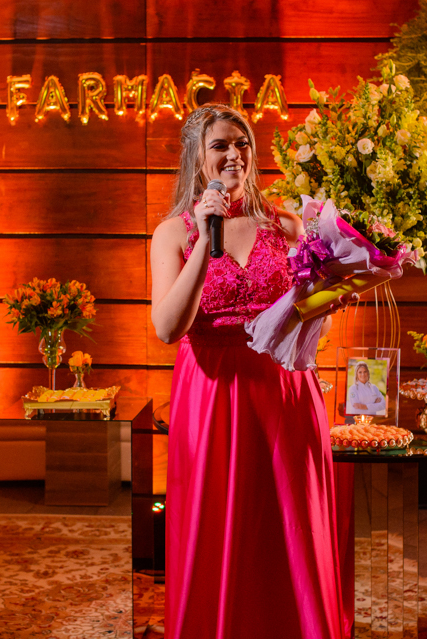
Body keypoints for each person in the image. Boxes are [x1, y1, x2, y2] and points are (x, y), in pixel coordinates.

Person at [150, 103, 353, 639]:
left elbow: (309, 331)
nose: (233, 155)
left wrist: (324, 306)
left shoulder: (287, 226)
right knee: (217, 531)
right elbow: (169, 329)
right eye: (219, 146)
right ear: (197, 158)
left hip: (282, 392)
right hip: (211, 397)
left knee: (290, 529)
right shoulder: (172, 234)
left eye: (241, 144)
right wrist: (203, 234)